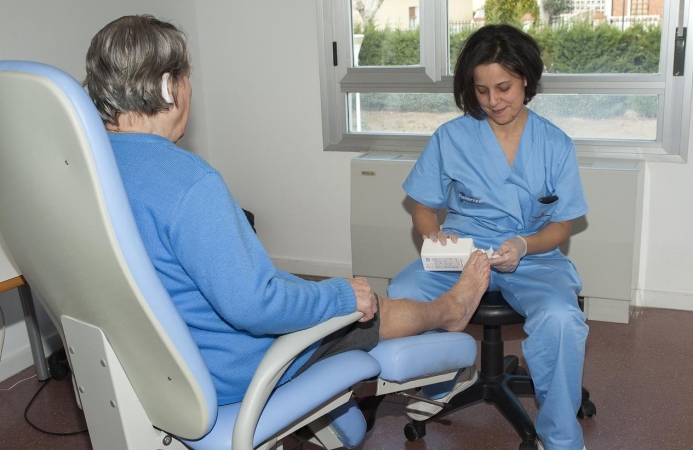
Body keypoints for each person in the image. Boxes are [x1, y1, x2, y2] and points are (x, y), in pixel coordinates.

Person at [82, 15, 491, 407]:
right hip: (231, 369)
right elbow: (256, 308)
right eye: (187, 78)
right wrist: (340, 294)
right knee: (365, 305)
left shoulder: (85, 165)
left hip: (147, 367)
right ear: (169, 86)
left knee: (298, 287)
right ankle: (452, 310)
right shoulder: (188, 181)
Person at [387, 24, 589, 450]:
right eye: (481, 91)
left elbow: (561, 226)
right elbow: (422, 205)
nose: (493, 101)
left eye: (504, 88)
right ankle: (440, 379)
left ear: (526, 80)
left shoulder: (556, 145)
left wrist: (522, 246)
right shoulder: (452, 137)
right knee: (404, 290)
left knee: (561, 319)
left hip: (532, 256)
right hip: (463, 251)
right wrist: (433, 235)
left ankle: (560, 436)